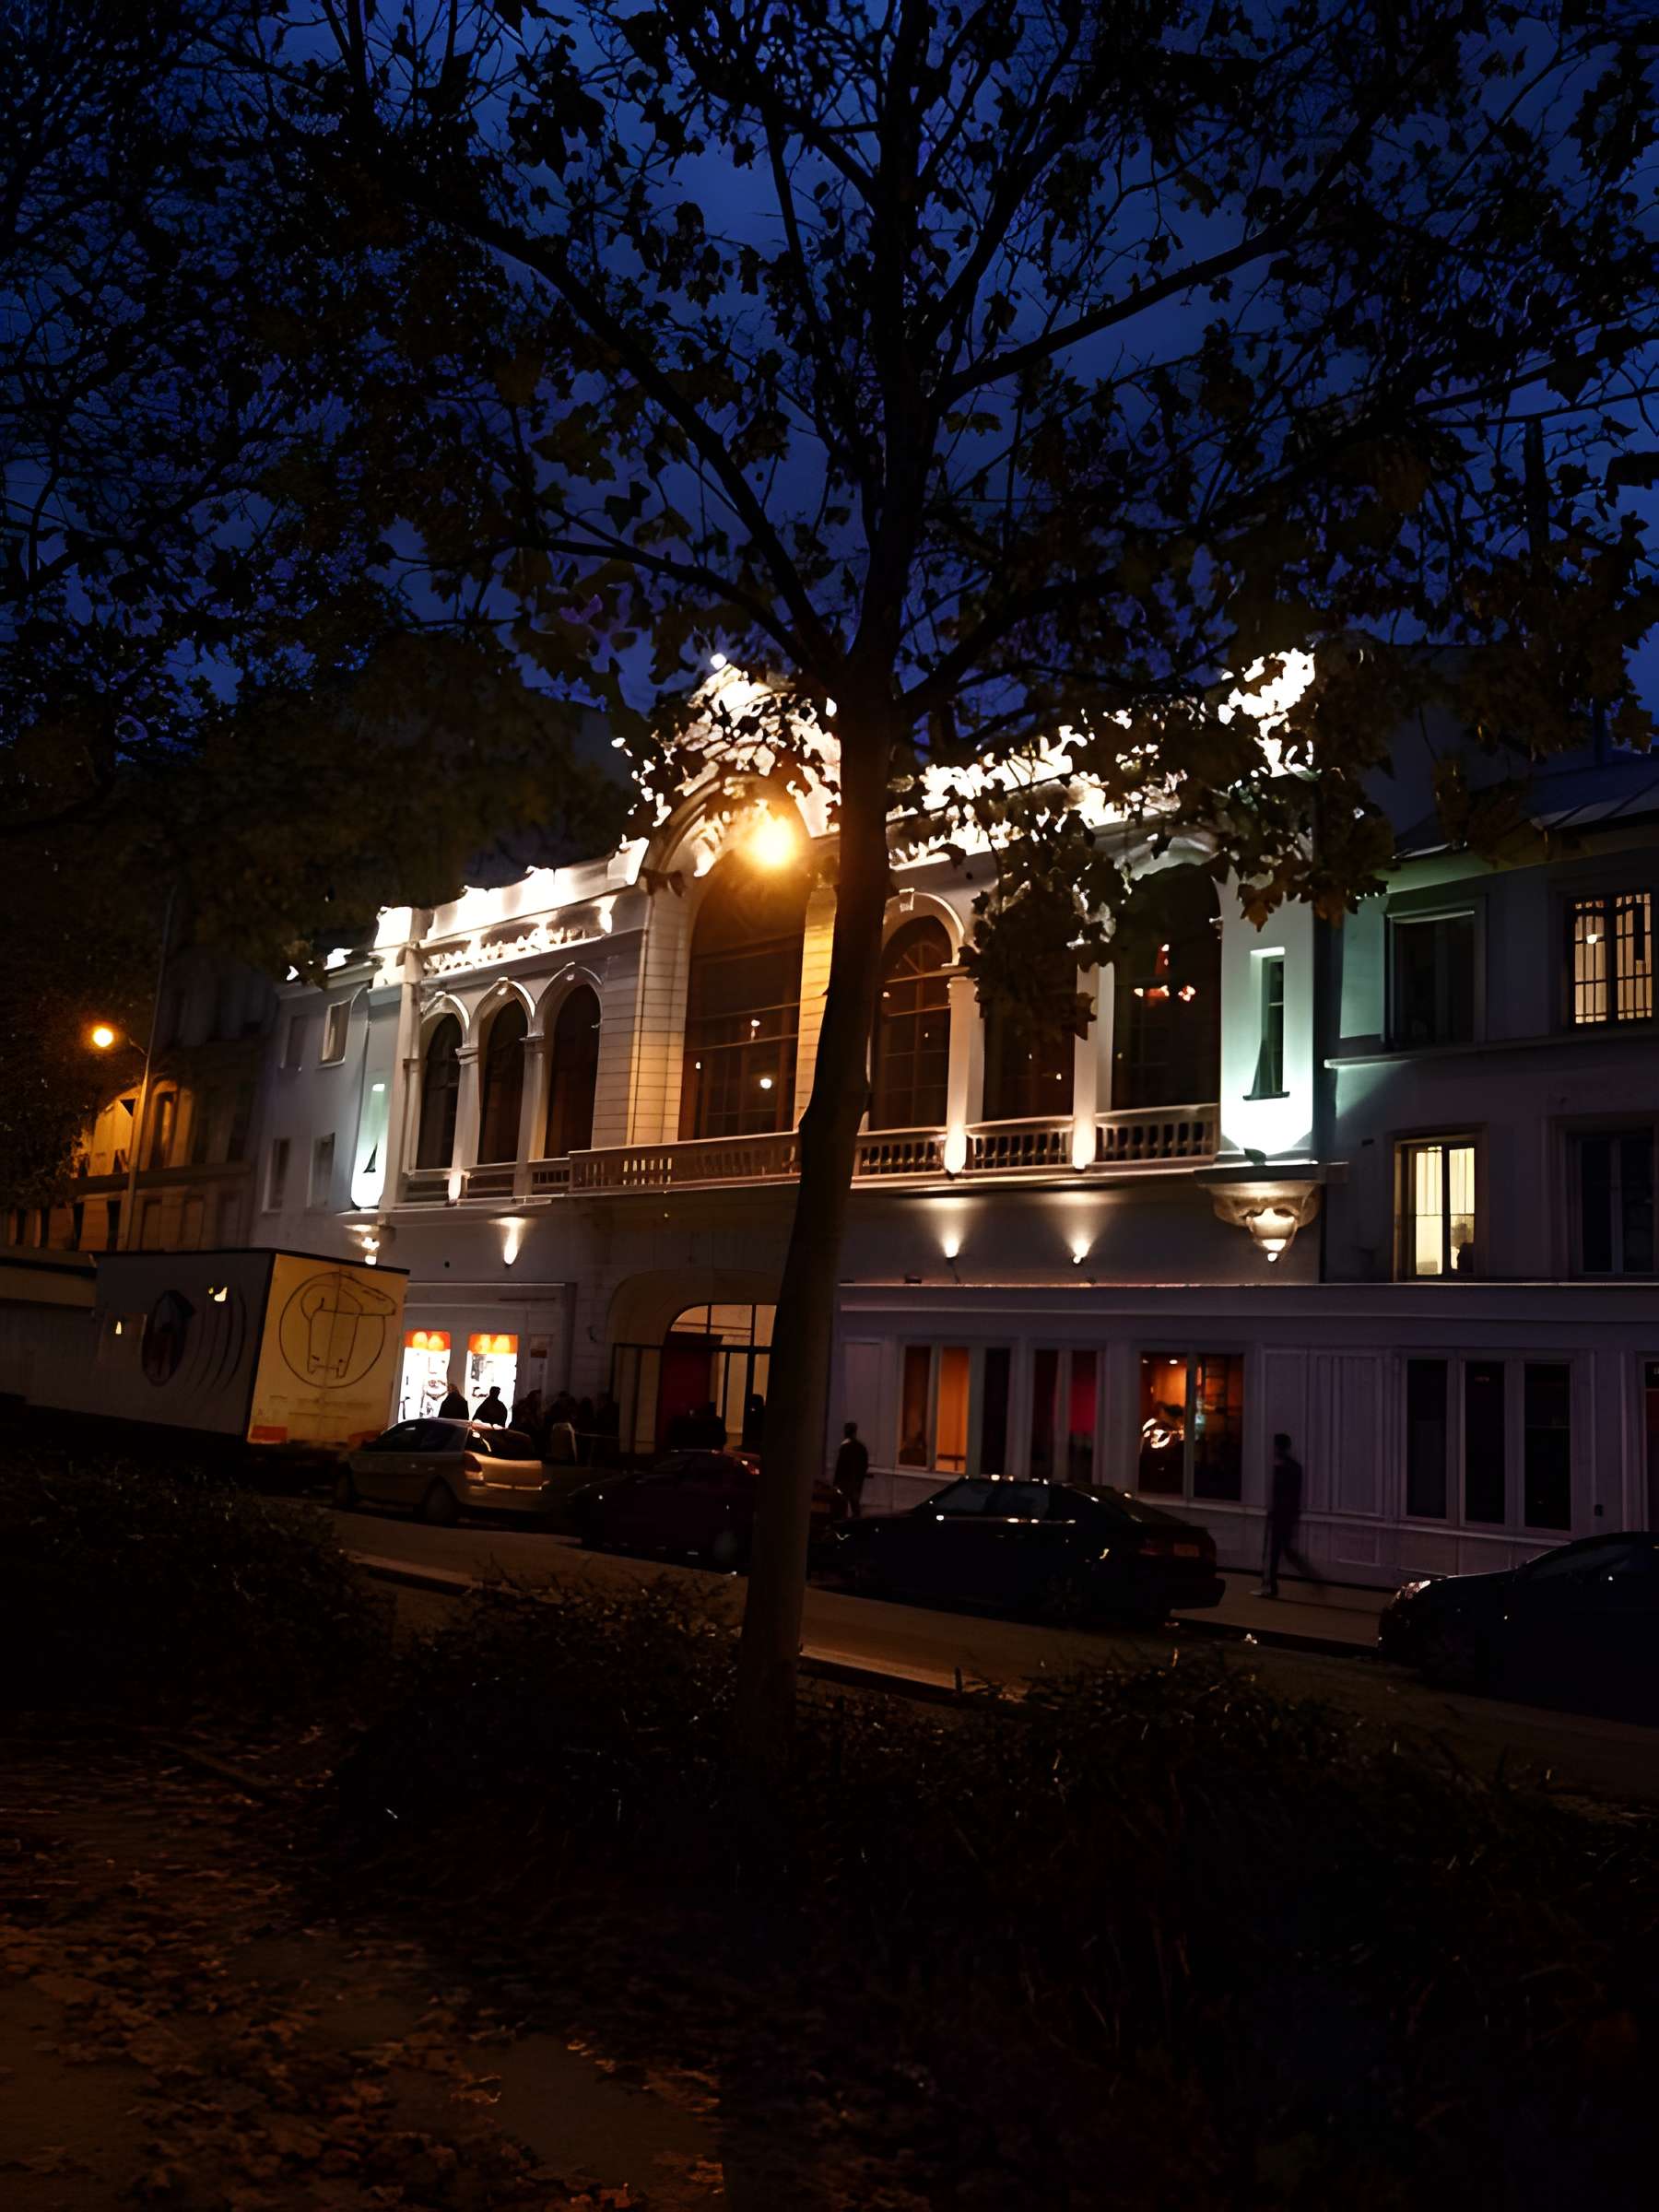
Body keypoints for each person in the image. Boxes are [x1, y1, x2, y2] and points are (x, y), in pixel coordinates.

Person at [1256, 1431, 1319, 1598]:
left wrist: (1273, 1512)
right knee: (1284, 1552)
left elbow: (1280, 1494)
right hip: (1287, 1516)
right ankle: (1274, 1585)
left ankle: (1270, 1587)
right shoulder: (1294, 1467)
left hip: (1279, 1516)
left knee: (1275, 1553)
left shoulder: (1282, 1468)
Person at [834, 1420, 869, 1518]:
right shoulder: (861, 1448)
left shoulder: (845, 1447)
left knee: (842, 1508)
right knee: (855, 1507)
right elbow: (864, 1466)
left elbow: (840, 1467)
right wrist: (860, 1480)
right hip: (856, 1483)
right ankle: (856, 1527)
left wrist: (836, 1483)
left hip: (844, 1483)